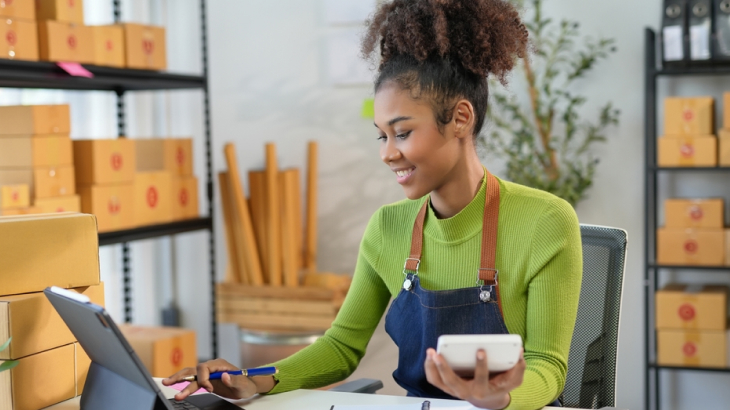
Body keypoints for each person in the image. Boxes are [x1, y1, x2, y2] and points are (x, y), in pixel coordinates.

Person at [164, 0, 582, 408]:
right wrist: (254, 379)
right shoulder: (388, 227)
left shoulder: (545, 220)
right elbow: (342, 345)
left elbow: (548, 365)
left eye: (402, 133)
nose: (387, 153)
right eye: (382, 136)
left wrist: (498, 398)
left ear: (460, 118)